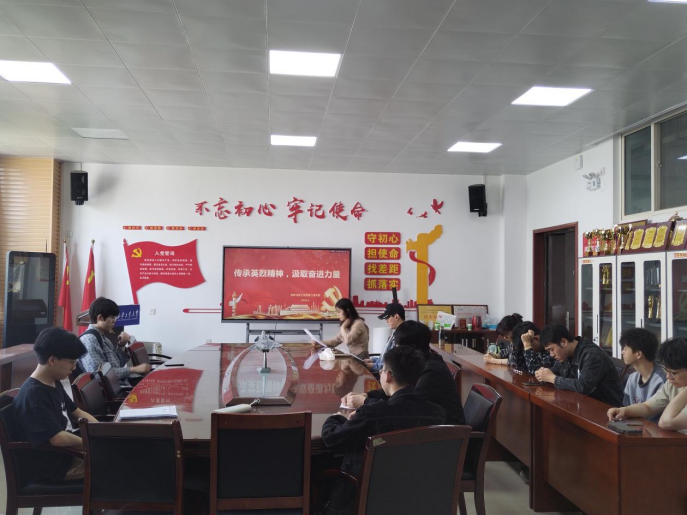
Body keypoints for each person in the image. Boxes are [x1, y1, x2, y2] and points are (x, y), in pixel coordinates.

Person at [321, 346, 446, 515]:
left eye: (381, 370)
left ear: (387, 376)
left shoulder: (373, 414)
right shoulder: (437, 414)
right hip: (417, 496)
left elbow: (331, 437)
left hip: (369, 496)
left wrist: (337, 417)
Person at [13, 327, 98, 483]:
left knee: (119, 453)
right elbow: (58, 439)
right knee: (117, 462)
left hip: (70, 453)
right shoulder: (33, 396)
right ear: (52, 360)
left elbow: (77, 412)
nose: (74, 367)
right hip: (58, 466)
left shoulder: (53, 381)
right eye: (71, 362)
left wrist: (101, 431)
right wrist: (92, 444)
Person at [342, 320, 465, 424]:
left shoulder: (431, 372)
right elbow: (400, 392)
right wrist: (367, 396)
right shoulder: (419, 363)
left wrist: (365, 402)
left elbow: (403, 406)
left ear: (410, 347)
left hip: (446, 435)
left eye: (397, 346)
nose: (395, 350)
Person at [608, 337, 687, 433]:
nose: (668, 376)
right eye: (666, 370)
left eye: (673, 373)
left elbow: (666, 422)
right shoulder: (672, 384)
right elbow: (648, 407)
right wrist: (624, 411)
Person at [534, 324, 623, 406]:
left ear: (564, 342)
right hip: (583, 404)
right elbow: (556, 369)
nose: (551, 354)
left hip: (606, 408)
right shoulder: (566, 354)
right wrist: (543, 373)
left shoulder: (592, 354)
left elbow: (583, 386)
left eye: (551, 349)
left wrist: (552, 378)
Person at [79, 297, 150, 386]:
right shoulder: (89, 340)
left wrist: (122, 345)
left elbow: (118, 365)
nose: (115, 321)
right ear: (100, 317)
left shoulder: (102, 337)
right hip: (110, 390)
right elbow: (98, 375)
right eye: (112, 317)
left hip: (117, 384)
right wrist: (133, 369)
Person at [618, 328, 666, 422]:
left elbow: (655, 418)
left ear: (638, 354)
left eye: (625, 348)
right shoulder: (632, 378)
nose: (622, 352)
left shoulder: (662, 380)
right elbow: (626, 408)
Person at [366, 302, 405, 373]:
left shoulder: (402, 336)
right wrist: (373, 360)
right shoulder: (394, 334)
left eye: (387, 318)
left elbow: (395, 364)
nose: (386, 321)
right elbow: (386, 357)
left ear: (396, 316)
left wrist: (374, 366)